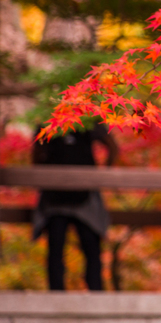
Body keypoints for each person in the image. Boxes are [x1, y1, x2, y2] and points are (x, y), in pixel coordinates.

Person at [32, 121, 119, 291]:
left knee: (86, 248)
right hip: (57, 196)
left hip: (76, 195)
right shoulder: (48, 120)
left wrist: (102, 176)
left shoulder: (86, 119)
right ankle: (64, 292)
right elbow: (37, 151)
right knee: (61, 247)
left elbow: (36, 153)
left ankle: (93, 290)